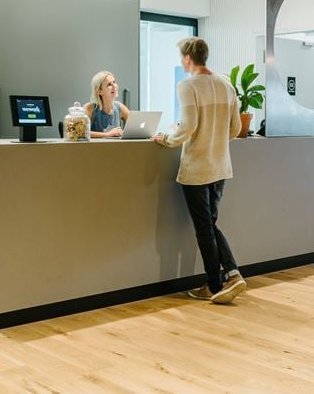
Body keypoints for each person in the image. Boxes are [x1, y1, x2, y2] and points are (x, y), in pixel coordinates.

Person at [153, 38, 246, 304]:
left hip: (197, 167)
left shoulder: (187, 85)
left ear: (187, 58)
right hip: (220, 166)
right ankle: (225, 278)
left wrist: (167, 139)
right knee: (209, 225)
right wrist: (214, 141)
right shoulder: (225, 84)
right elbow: (235, 128)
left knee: (205, 227)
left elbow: (188, 126)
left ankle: (222, 280)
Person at [84, 71, 130, 139]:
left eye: (114, 82)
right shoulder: (89, 108)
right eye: (109, 84)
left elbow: (137, 127)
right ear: (100, 91)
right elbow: (80, 132)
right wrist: (106, 134)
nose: (114, 86)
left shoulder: (120, 107)